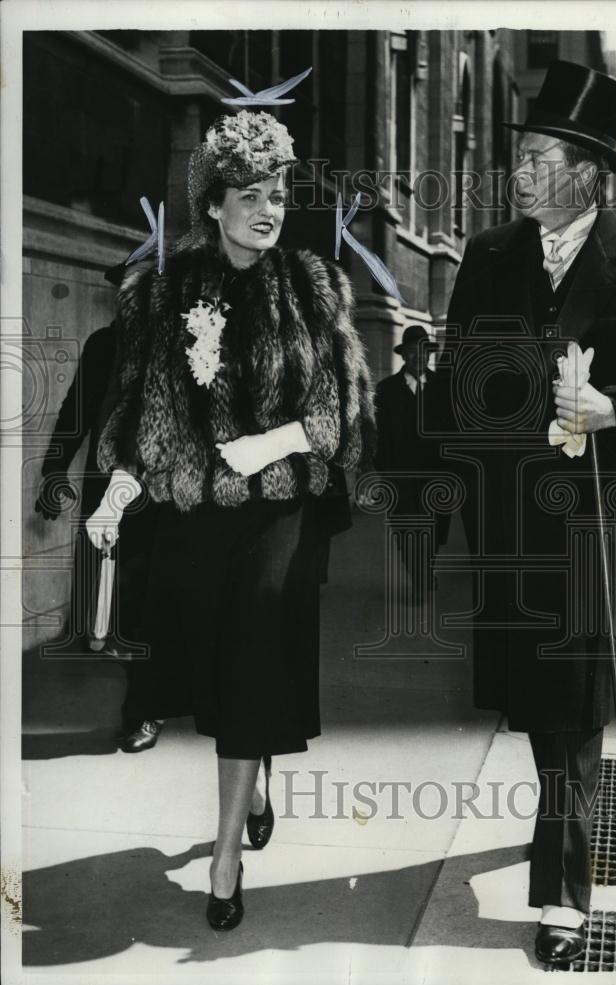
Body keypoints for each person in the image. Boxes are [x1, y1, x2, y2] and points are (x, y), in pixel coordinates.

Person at [444, 60, 616, 965]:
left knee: (576, 689)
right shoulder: (487, 256)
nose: (518, 172)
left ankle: (563, 893)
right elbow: (452, 383)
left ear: (588, 173)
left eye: (538, 157)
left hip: (599, 510)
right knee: (533, 694)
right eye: (519, 155)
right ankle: (561, 826)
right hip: (510, 511)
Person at [88, 110, 374, 931]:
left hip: (278, 514)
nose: (267, 208)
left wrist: (274, 444)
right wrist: (115, 495)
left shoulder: (314, 287)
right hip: (194, 521)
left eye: (277, 194)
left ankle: (221, 859)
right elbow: (140, 407)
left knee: (251, 665)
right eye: (248, 194)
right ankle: (258, 773)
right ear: (212, 204)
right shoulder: (164, 291)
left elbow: (345, 415)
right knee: (222, 678)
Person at [35, 269, 164, 753]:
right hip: (102, 498)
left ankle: (145, 713)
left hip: (159, 502)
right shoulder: (105, 344)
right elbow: (78, 410)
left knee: (142, 606)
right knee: (109, 612)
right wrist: (53, 472)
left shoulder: (176, 352)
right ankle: (143, 705)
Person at [374, 325, 451, 600]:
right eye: (413, 352)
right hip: (401, 477)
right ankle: (419, 580)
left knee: (433, 529)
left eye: (424, 351)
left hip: (435, 476)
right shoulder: (386, 391)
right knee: (406, 530)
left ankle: (426, 569)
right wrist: (383, 471)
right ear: (404, 355)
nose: (419, 357)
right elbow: (378, 436)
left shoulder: (442, 389)